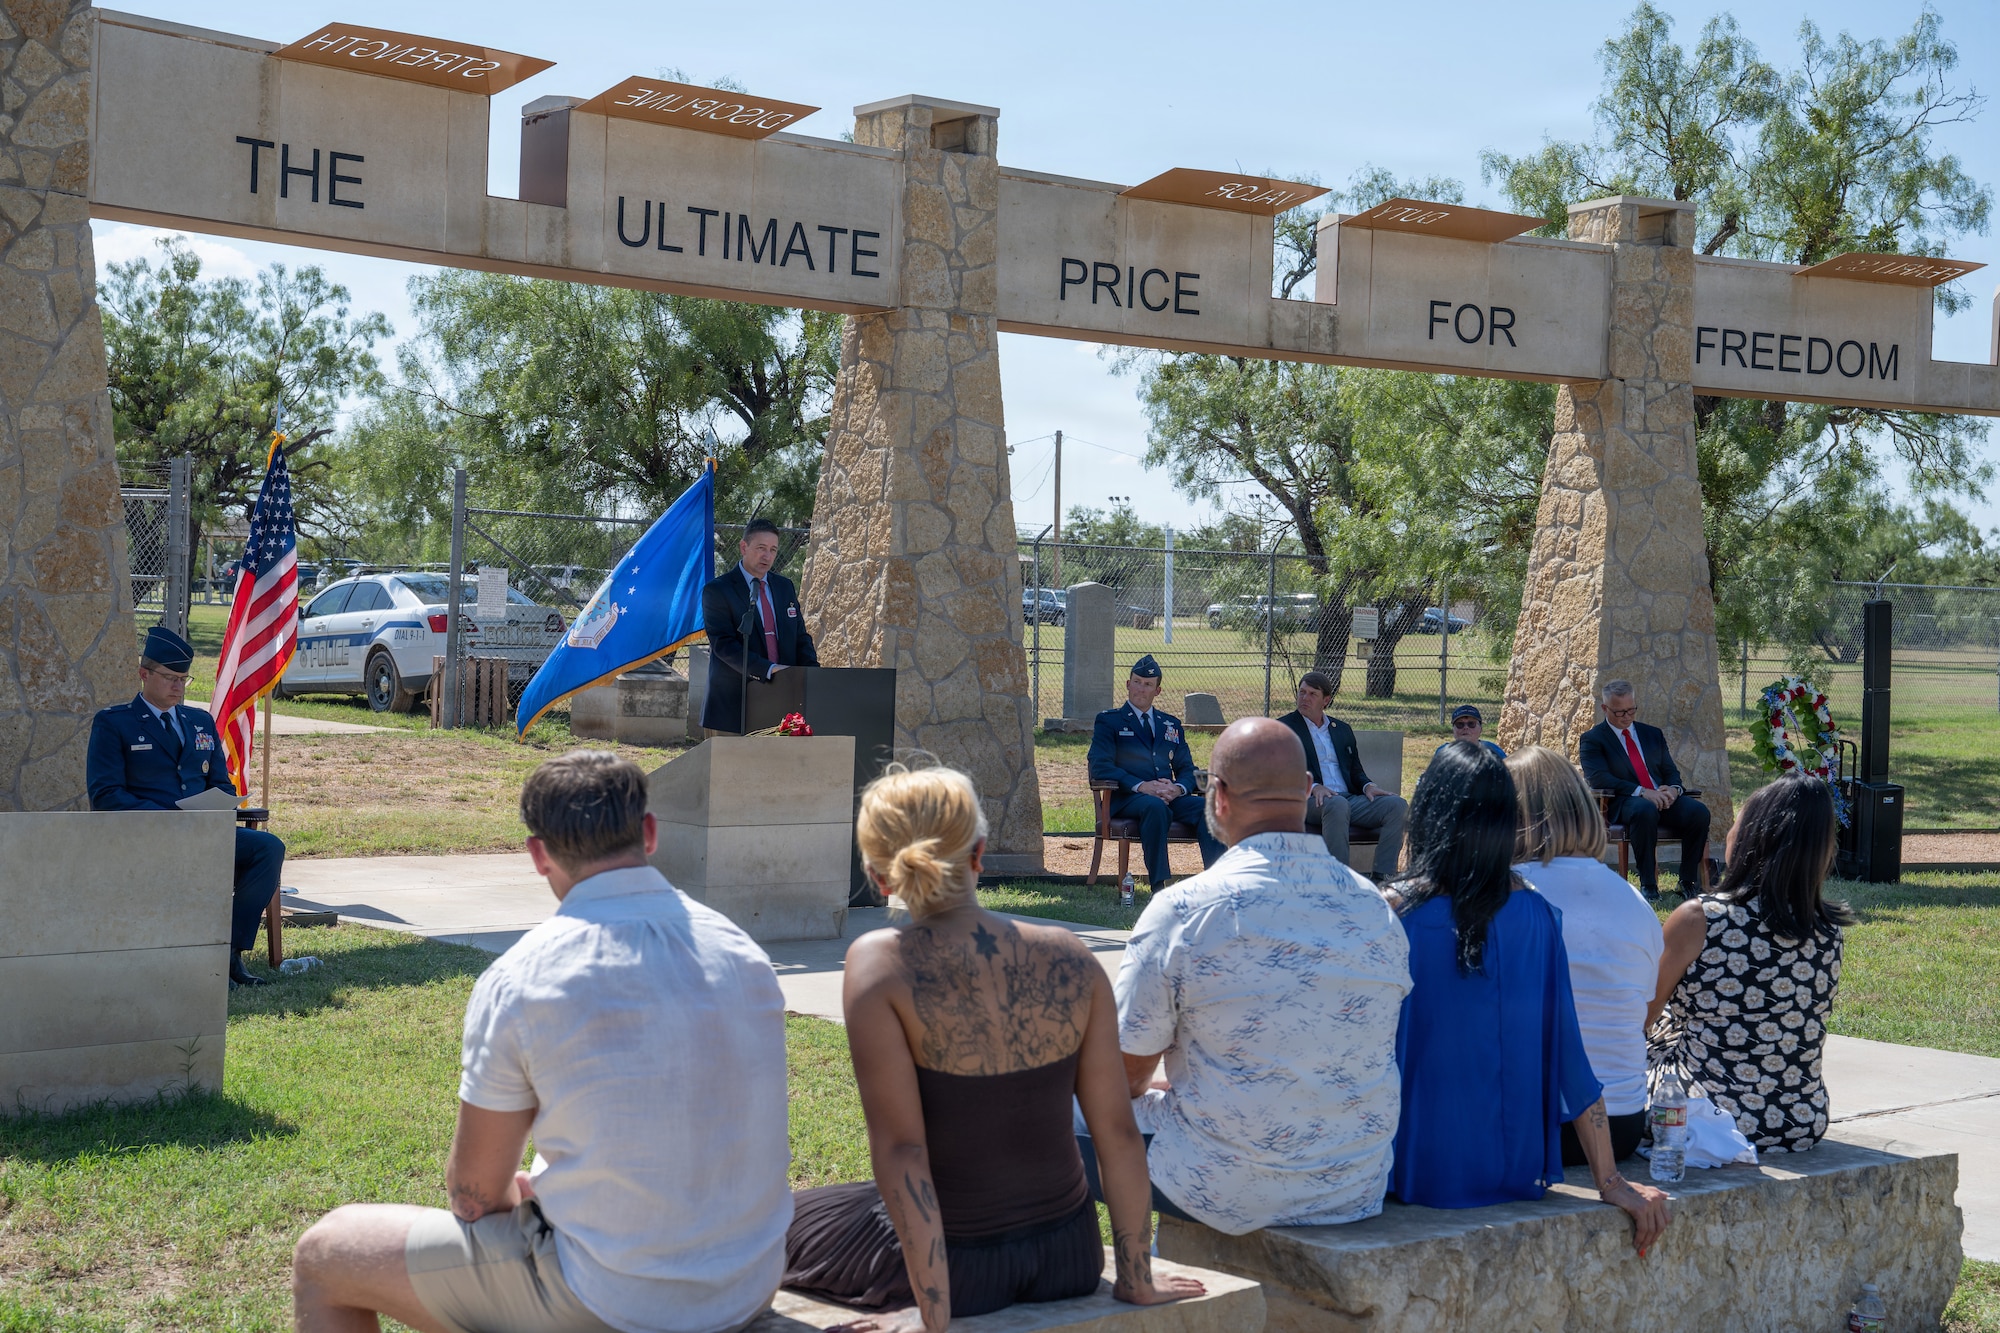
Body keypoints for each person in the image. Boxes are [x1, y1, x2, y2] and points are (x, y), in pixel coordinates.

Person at [292, 752, 792, 1333]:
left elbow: (475, 1196)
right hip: (747, 1283)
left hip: (613, 1300)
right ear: (650, 833)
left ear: (537, 854)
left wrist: (524, 1206)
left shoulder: (523, 978)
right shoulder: (742, 952)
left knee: (324, 1253)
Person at [782, 765, 1204, 1329]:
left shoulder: (880, 963)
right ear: (979, 854)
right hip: (1068, 1257)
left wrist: (931, 1317)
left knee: (774, 1220)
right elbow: (1118, 1133)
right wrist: (1135, 1277)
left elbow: (903, 1151)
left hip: (958, 1272)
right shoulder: (1070, 956)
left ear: (879, 876)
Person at [1097, 717, 1412, 1234]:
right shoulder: (1374, 908)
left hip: (1228, 1186)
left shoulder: (1185, 910)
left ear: (1218, 797)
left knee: (1057, 1105)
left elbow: (1123, 1077)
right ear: (1307, 789)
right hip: (1352, 1183)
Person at [1386, 742, 1671, 1254]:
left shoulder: (1395, 912)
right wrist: (1610, 1180)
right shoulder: (1537, 914)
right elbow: (1571, 1055)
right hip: (1510, 1161)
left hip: (1414, 1158)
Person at [1647, 772, 1852, 1155]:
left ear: (1752, 837)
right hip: (1800, 1119)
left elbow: (1639, 1014)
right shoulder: (1828, 929)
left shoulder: (1699, 918)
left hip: (1706, 1114)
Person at [85, 625, 284, 989]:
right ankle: (198, 959)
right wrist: (167, 818)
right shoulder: (115, 723)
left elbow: (221, 783)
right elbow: (106, 794)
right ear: (144, 674)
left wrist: (222, 804)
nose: (178, 686)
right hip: (148, 836)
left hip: (202, 832)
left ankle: (228, 953)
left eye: (183, 679)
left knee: (268, 848)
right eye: (169, 678)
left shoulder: (200, 722)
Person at [1508, 746, 1664, 1166]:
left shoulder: (1505, 892)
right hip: (1621, 1124)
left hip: (1530, 1122)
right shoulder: (1635, 902)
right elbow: (1642, 1011)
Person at [1086, 655, 1223, 890]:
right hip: (1127, 798)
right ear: (1128, 684)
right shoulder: (1110, 721)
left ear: (1157, 691)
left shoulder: (1170, 724)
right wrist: (1141, 786)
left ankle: (1218, 883)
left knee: (1209, 808)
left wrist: (1178, 788)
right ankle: (1159, 886)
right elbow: (1100, 766)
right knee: (1155, 806)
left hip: (1168, 797)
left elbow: (1187, 769)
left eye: (1148, 684)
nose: (1141, 688)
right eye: (1137, 682)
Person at [1578, 678, 1712, 901]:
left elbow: (1670, 770)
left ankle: (1687, 881)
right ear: (1605, 708)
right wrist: (1642, 791)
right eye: (1620, 712)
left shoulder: (1652, 734)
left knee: (1699, 812)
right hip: (1623, 801)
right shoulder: (1593, 739)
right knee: (1644, 809)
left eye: (1631, 710)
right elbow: (1599, 778)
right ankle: (1648, 884)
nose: (1627, 717)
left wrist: (1674, 789)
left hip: (1661, 797)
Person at [1275, 671, 1407, 880]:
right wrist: (1313, 786)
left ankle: (1383, 876)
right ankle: (1338, 880)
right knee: (1337, 804)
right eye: (1302, 692)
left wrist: (1368, 786)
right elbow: (1282, 770)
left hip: (1347, 799)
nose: (1305, 698)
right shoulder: (1283, 728)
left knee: (1397, 805)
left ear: (1326, 700)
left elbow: (1355, 770)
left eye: (1312, 694)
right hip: (1308, 800)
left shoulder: (1342, 729)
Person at [701, 517, 818, 735]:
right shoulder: (718, 590)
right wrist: (769, 670)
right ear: (743, 547)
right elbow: (723, 645)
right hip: (732, 708)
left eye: (773, 550)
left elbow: (800, 637)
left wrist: (813, 675)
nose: (767, 556)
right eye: (761, 548)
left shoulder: (784, 587)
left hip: (784, 706)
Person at [1435, 703, 1504, 759]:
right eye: (1460, 724)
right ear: (1453, 729)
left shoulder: (1493, 751)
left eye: (1471, 724)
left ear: (1481, 728)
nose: (1466, 728)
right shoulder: (1444, 752)